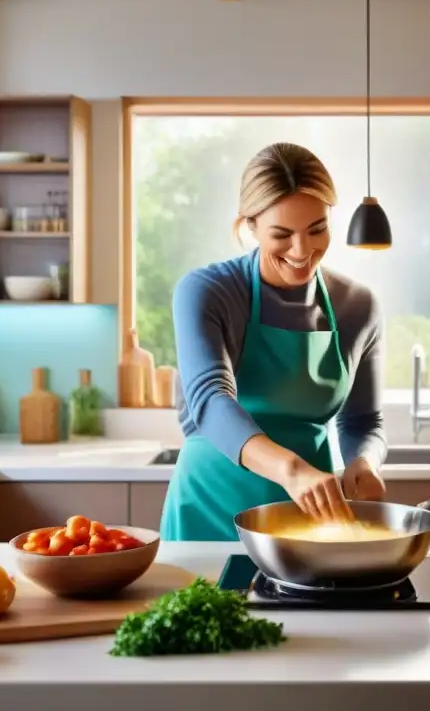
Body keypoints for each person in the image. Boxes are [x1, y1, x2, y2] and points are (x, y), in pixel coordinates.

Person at [160, 142, 387, 541]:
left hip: (306, 516)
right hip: (210, 508)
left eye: (317, 229)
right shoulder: (207, 291)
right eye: (282, 234)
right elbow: (211, 401)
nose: (303, 251)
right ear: (250, 226)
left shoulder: (358, 306)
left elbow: (362, 420)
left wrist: (363, 464)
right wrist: (292, 471)